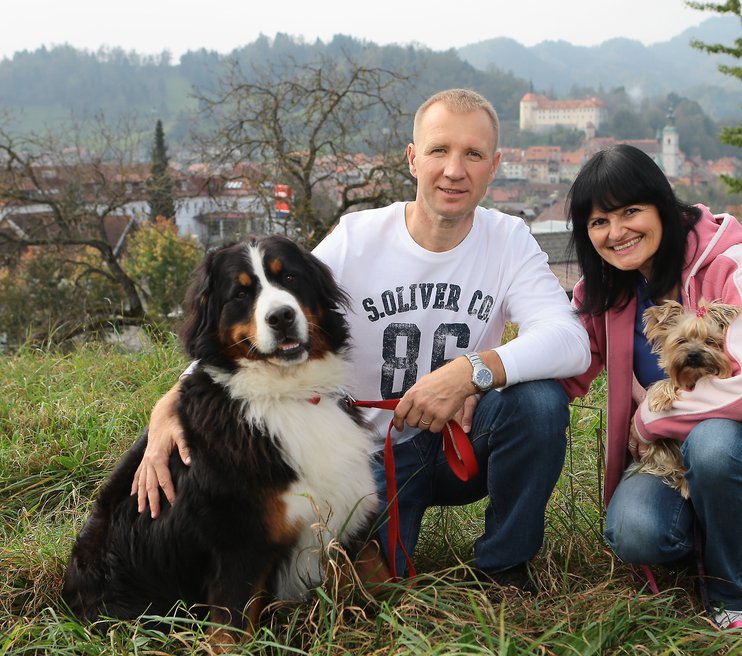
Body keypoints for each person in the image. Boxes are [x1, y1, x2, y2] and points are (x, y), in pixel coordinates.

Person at [133, 89, 591, 592]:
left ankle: (505, 569)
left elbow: (570, 340)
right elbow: (273, 317)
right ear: (413, 159)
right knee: (371, 583)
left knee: (540, 404)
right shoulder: (357, 238)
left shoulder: (509, 239)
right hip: (367, 458)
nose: (454, 170)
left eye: (473, 154)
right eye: (439, 150)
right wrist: (168, 405)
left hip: (464, 443)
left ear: (495, 165)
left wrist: (470, 373)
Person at [560, 145, 742, 629]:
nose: (616, 232)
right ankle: (723, 522)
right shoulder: (603, 292)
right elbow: (565, 366)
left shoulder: (730, 259)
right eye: (598, 221)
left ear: (662, 205)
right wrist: (479, 378)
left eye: (631, 211)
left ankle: (734, 597)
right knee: (635, 532)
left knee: (715, 442)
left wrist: (649, 417)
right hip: (669, 463)